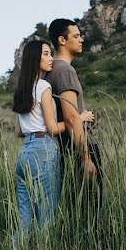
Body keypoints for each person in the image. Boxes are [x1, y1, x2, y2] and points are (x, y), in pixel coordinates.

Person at [13, 39, 93, 241]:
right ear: (35, 58)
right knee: (46, 217)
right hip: (43, 150)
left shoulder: (23, 88)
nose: (51, 58)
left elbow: (19, 131)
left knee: (24, 221)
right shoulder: (43, 86)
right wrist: (80, 118)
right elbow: (52, 128)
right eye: (47, 54)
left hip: (25, 154)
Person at [45, 18, 104, 217]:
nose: (81, 40)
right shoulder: (64, 71)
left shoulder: (50, 72)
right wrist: (86, 158)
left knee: (75, 209)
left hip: (63, 149)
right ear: (62, 40)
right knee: (92, 209)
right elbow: (71, 117)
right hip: (77, 148)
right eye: (76, 36)